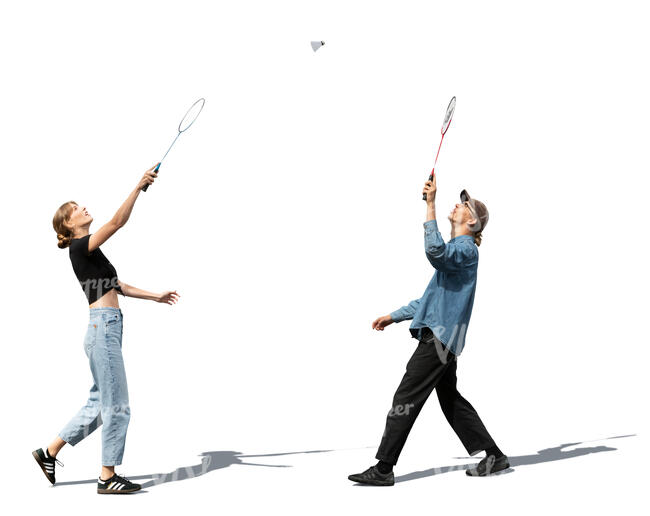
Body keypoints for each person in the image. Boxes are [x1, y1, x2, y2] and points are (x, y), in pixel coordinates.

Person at [348, 174, 509, 486]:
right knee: (450, 400)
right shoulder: (457, 255)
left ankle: (383, 468)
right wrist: (393, 316)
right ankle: (494, 455)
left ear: (472, 221)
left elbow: (435, 253)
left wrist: (431, 205)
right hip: (443, 341)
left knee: (405, 396)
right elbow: (428, 301)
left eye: (464, 205)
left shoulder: (465, 252)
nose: (457, 205)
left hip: (439, 342)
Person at [33, 164, 181, 494]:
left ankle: (49, 452)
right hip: (103, 329)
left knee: (102, 402)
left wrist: (154, 296)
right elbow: (116, 222)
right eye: (75, 210)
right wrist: (139, 186)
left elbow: (116, 285)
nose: (82, 207)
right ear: (69, 226)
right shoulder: (78, 247)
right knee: (117, 406)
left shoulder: (92, 252)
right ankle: (107, 477)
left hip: (105, 329)